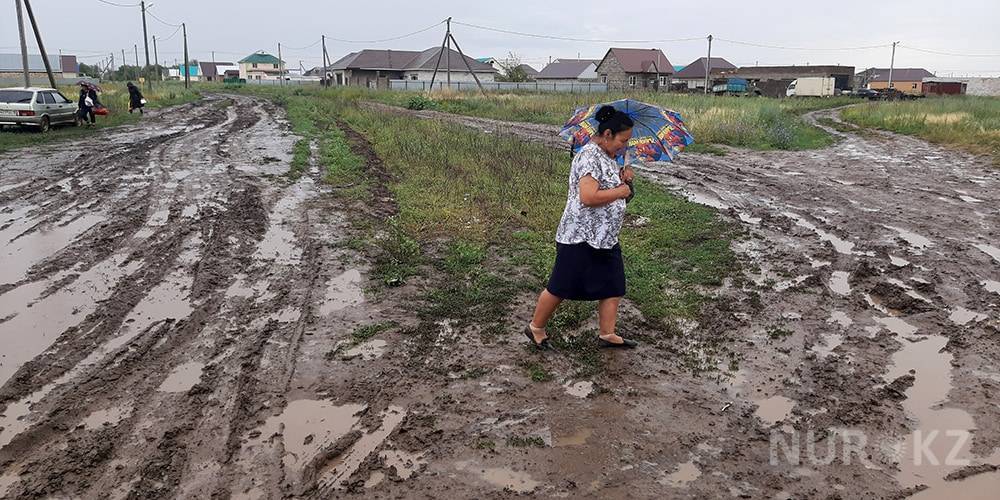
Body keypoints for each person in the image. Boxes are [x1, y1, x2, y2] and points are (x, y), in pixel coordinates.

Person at [525, 105, 638, 350]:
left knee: (614, 285)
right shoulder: (589, 156)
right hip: (580, 236)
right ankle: (535, 328)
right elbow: (588, 197)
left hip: (605, 237)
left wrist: (625, 181)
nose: (625, 146)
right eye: (623, 140)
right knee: (560, 286)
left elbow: (619, 196)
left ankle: (607, 334)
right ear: (607, 134)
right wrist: (620, 190)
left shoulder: (609, 157)